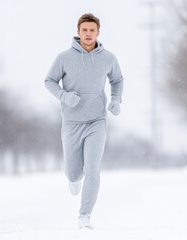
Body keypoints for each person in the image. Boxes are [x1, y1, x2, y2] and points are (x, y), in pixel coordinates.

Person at [44, 13, 123, 230]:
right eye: (84, 30)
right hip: (71, 122)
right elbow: (49, 81)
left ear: (98, 32)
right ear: (78, 32)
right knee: (73, 171)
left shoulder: (108, 58)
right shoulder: (64, 58)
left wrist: (116, 100)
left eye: (92, 30)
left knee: (93, 168)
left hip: (97, 120)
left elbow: (117, 80)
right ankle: (72, 177)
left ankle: (84, 216)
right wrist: (64, 96)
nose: (88, 34)